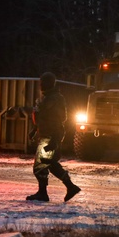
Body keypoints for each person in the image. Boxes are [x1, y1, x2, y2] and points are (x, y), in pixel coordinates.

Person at [27, 72, 81, 203]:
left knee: (41, 165)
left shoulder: (55, 99)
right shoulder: (45, 98)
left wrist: (55, 140)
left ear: (50, 83)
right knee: (48, 164)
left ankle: (45, 193)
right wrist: (34, 130)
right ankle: (68, 187)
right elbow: (41, 118)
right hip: (45, 134)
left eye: (43, 83)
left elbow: (60, 119)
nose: (40, 85)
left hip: (50, 136)